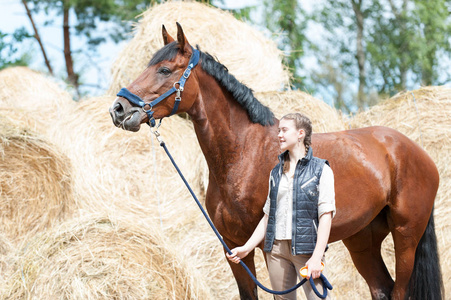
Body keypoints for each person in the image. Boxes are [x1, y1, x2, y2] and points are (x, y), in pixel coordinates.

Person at [226, 113, 335, 300]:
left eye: (284, 130)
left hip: (306, 250)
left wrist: (317, 257)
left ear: (300, 133)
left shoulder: (321, 170)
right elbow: (268, 217)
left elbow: (326, 215)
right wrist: (247, 248)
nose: (279, 135)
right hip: (276, 251)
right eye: (279, 131)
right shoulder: (276, 172)